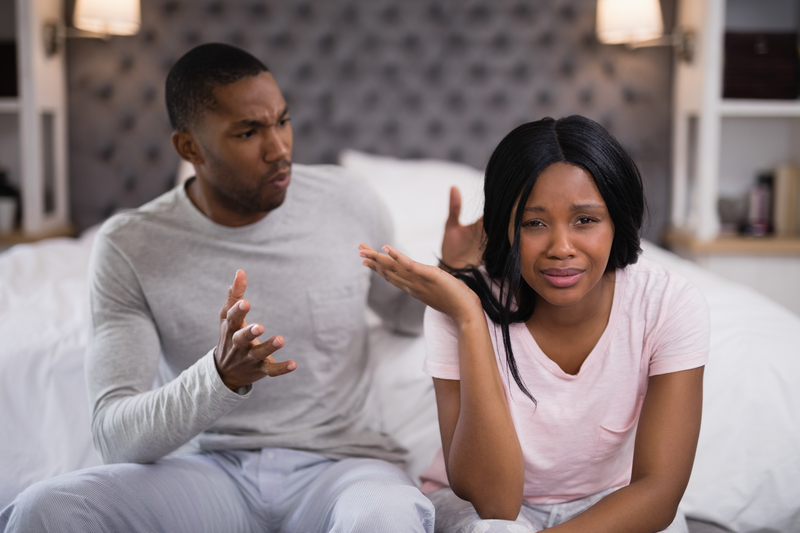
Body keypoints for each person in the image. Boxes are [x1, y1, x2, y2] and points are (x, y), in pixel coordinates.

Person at [0, 43, 480, 533]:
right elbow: (115, 436)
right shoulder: (131, 246)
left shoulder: (346, 200)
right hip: (209, 471)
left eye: (282, 121)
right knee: (47, 508)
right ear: (189, 149)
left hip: (339, 465)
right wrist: (219, 377)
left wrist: (450, 273)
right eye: (249, 132)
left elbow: (402, 316)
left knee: (387, 516)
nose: (279, 149)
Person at [359, 116, 710, 533]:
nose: (561, 248)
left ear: (617, 220)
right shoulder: (455, 306)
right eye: (534, 223)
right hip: (483, 510)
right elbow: (496, 504)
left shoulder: (668, 302)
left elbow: (659, 491)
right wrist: (470, 317)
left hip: (609, 506)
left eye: (585, 220)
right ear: (504, 228)